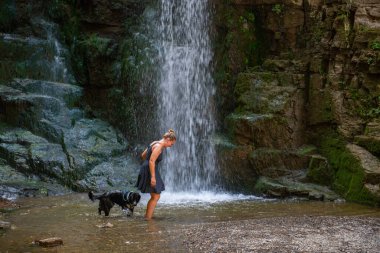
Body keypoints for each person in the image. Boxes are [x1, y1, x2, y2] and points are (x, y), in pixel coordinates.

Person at [135, 129, 176, 220]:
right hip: (150, 169)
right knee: (156, 196)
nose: (170, 146)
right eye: (171, 144)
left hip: (146, 167)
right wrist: (153, 177)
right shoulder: (159, 146)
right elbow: (152, 161)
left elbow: (143, 155)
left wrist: (147, 163)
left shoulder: (154, 143)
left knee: (154, 195)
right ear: (168, 139)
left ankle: (148, 217)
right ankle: (148, 218)